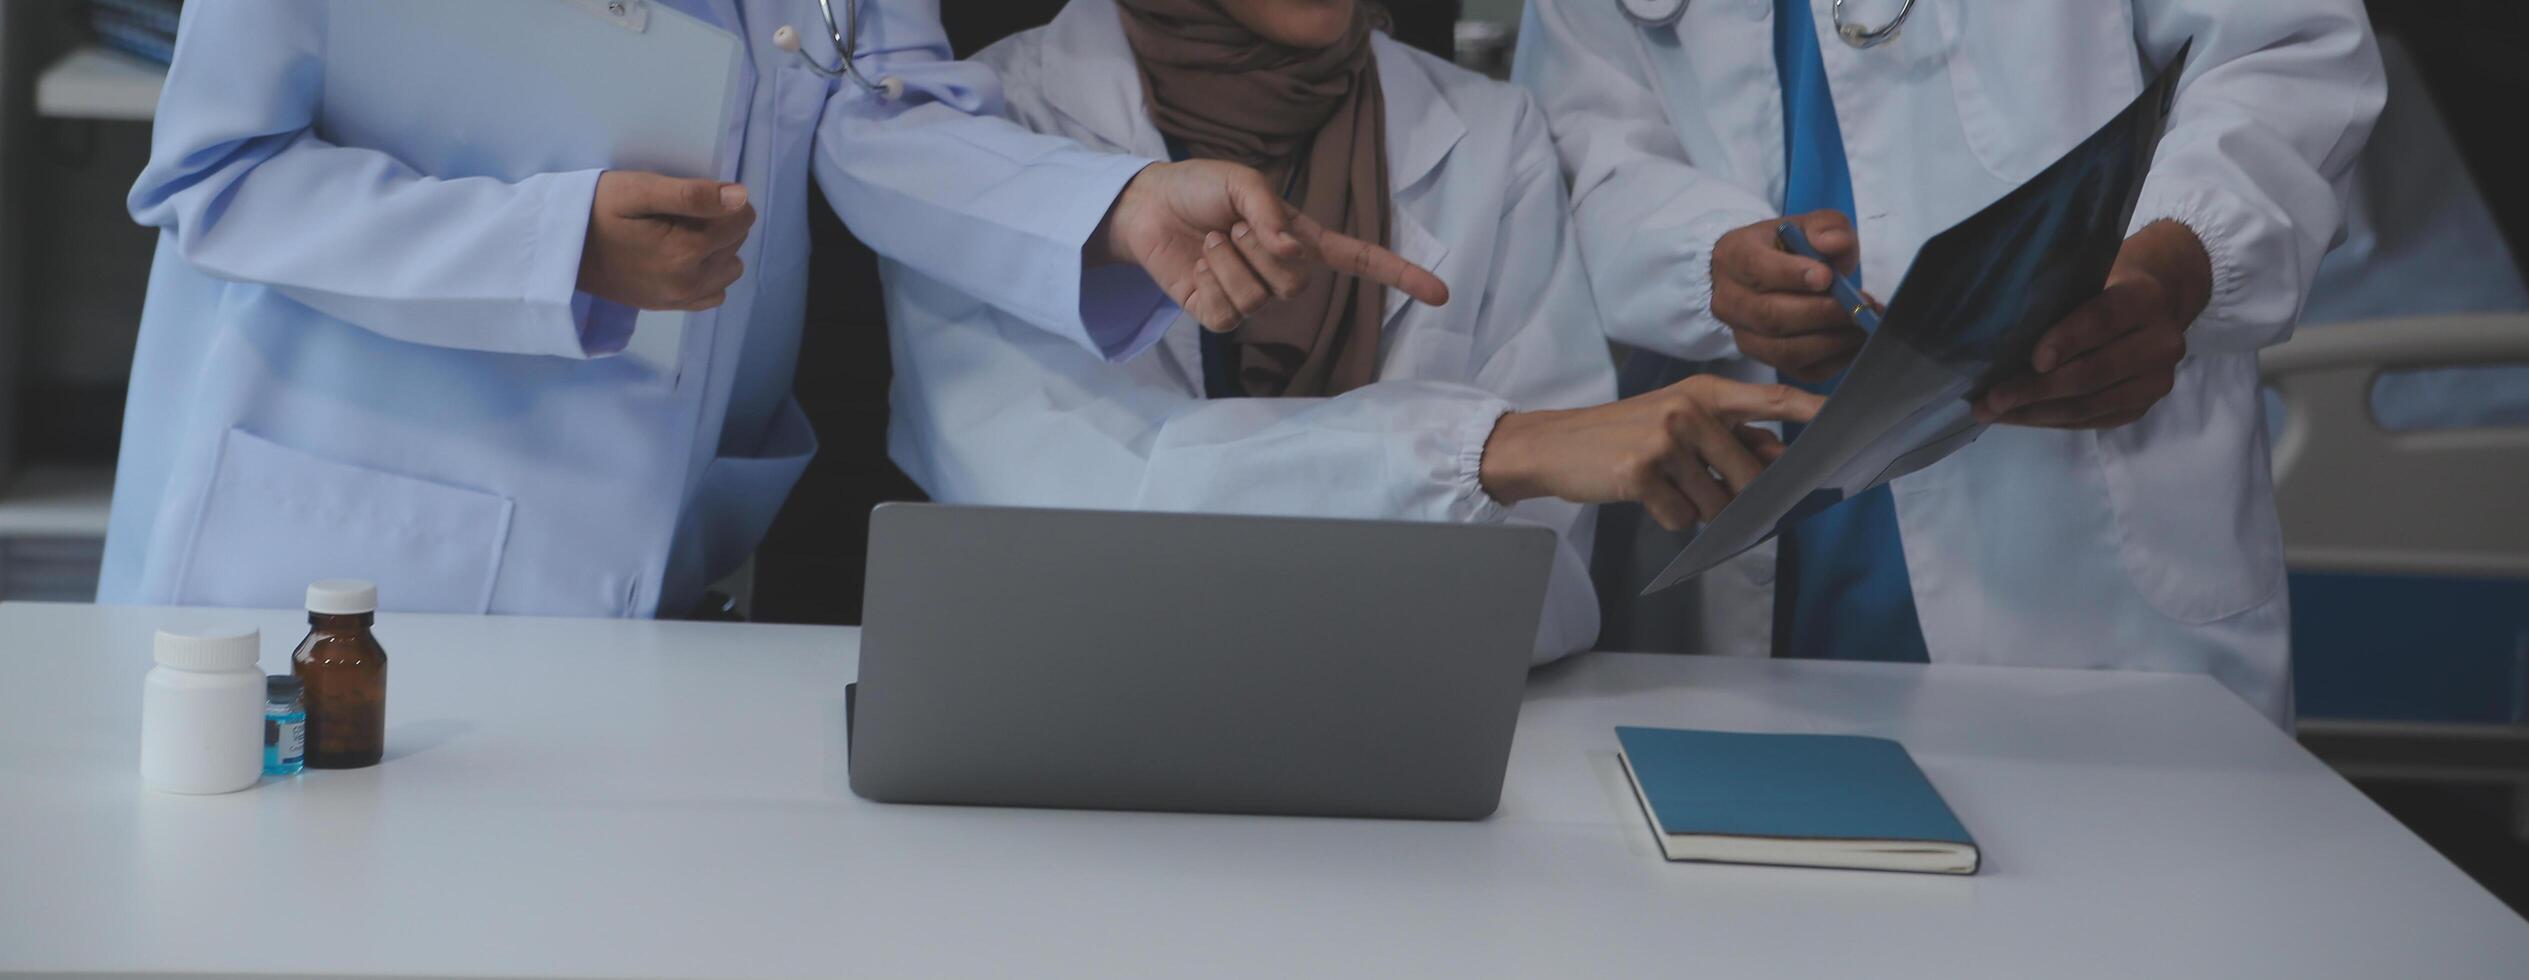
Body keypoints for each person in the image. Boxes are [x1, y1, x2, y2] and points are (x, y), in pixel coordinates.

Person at [99, 0, 1445, 618]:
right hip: (335, 557)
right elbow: (220, 177)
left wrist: (1118, 205)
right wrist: (555, 244)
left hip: (643, 577)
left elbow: (885, 114)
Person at [1515, 0, 2384, 720]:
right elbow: (1583, 136)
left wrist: (2180, 260)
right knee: (1758, 889)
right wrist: (1699, 261)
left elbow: (2287, 57)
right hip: (1758, 532)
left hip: (2081, 537)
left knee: (2122, 907)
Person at [880, 0, 1820, 661]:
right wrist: (1489, 451)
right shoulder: (982, 143)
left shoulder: (1493, 134)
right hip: (1073, 739)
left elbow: (1534, 584)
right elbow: (1070, 535)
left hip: (1428, 736)